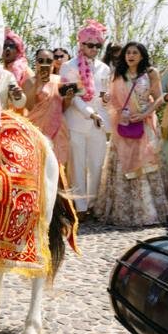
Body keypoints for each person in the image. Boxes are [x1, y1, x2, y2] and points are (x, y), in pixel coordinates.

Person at [93, 41, 168, 226]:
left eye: (135, 53)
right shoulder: (118, 74)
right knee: (122, 166)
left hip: (144, 125)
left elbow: (159, 97)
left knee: (145, 166)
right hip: (124, 125)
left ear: (142, 55)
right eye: (128, 53)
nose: (130, 56)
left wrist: (145, 113)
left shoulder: (151, 73)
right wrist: (106, 100)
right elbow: (109, 100)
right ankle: (122, 210)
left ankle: (147, 212)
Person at [59, 20, 112, 216]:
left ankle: (93, 204)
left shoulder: (104, 68)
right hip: (76, 123)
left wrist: (105, 99)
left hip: (99, 122)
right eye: (90, 45)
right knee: (78, 166)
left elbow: (103, 94)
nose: (94, 49)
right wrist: (91, 113)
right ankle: (80, 208)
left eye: (98, 45)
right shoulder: (67, 67)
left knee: (97, 165)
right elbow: (72, 98)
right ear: (81, 44)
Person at [25, 48, 70, 166]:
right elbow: (29, 107)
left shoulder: (60, 80)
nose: (44, 63)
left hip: (58, 130)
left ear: (53, 63)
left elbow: (64, 108)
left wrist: (69, 98)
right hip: (36, 130)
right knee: (37, 165)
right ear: (36, 62)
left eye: (48, 60)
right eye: (41, 60)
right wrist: (38, 83)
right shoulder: (29, 82)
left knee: (57, 167)